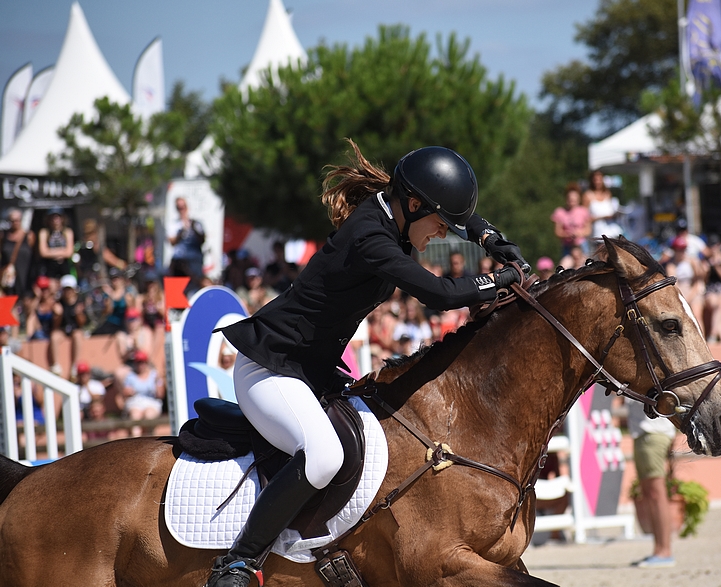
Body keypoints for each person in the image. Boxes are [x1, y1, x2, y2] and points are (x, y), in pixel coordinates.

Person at [207, 142, 528, 586]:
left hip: (312, 374)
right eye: (439, 225)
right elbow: (441, 296)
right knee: (322, 457)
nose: (441, 235)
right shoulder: (370, 236)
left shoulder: (399, 215)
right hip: (271, 368)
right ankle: (237, 564)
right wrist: (500, 278)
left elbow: (460, 216)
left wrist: (489, 237)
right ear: (414, 204)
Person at [627, 397, 676, 568]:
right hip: (644, 432)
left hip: (652, 433)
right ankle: (659, 549)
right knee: (650, 493)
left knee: (656, 493)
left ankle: (664, 551)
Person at [121, 349, 164, 437]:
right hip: (136, 401)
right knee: (135, 417)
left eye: (142, 362)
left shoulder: (155, 375)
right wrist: (129, 392)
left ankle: (149, 442)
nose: (140, 365)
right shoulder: (130, 376)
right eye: (138, 362)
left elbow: (160, 394)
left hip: (151, 402)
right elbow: (125, 393)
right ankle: (136, 443)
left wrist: (157, 384)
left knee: (149, 416)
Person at [50, 274, 86, 379]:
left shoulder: (80, 302)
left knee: (78, 335)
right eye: (66, 289)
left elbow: (82, 324)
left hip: (75, 330)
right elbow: (55, 325)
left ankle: (75, 366)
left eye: (70, 289)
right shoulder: (58, 303)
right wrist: (58, 315)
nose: (68, 292)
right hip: (63, 330)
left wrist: (79, 314)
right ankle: (56, 366)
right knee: (54, 336)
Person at [0, 207, 35, 297]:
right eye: (12, 220)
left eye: (17, 220)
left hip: (25, 275)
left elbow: (34, 254)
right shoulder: (3, 236)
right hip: (9, 276)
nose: (15, 223)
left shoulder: (29, 236)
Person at [168, 197, 206, 278]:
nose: (182, 210)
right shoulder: (174, 224)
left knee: (196, 281)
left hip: (194, 259)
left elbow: (203, 240)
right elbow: (172, 242)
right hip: (180, 260)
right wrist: (181, 232)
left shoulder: (196, 223)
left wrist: (193, 228)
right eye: (179, 208)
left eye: (183, 207)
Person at [551, 183, 591, 257]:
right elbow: (557, 232)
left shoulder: (584, 211)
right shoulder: (560, 212)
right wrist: (567, 234)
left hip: (581, 245)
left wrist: (579, 233)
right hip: (567, 245)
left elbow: (588, 231)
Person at [37, 207, 75, 284]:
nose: (55, 220)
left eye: (58, 217)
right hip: (49, 267)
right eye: (52, 217)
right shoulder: (44, 232)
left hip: (64, 266)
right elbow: (43, 252)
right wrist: (62, 251)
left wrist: (51, 252)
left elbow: (69, 252)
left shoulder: (67, 232)